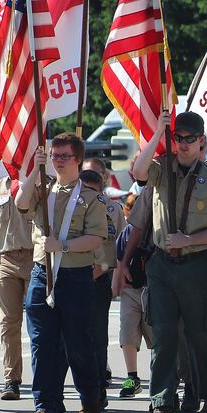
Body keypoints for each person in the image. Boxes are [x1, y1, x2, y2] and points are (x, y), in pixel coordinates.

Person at [131, 110, 207, 413]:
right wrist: (158, 130)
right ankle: (162, 404)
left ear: (202, 141)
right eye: (178, 138)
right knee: (163, 337)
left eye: (190, 139)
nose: (184, 144)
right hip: (162, 265)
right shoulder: (162, 168)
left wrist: (188, 239)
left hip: (196, 266)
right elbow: (138, 171)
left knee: (200, 336)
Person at [15, 133, 108, 413]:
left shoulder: (90, 198)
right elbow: (20, 202)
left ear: (78, 159)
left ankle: (90, 396)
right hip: (43, 275)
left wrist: (64, 246)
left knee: (78, 344)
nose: (58, 161)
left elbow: (96, 238)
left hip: (75, 277)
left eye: (63, 156)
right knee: (42, 343)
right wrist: (34, 168)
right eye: (54, 156)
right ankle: (46, 405)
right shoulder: (44, 190)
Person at [0, 171, 35, 401]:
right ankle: (11, 379)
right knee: (8, 322)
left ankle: (45, 377)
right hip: (7, 260)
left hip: (36, 258)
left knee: (39, 322)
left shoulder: (39, 184)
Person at [83, 159, 127, 392]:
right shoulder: (70, 208)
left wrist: (117, 275)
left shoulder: (113, 209)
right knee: (75, 336)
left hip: (101, 278)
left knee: (99, 333)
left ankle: (99, 382)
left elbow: (120, 246)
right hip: (76, 277)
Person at [112, 186, 155, 399]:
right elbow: (120, 262)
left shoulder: (157, 230)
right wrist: (119, 280)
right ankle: (132, 377)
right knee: (128, 331)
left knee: (156, 336)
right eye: (130, 207)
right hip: (131, 291)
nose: (132, 211)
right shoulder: (126, 233)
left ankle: (162, 379)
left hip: (154, 291)